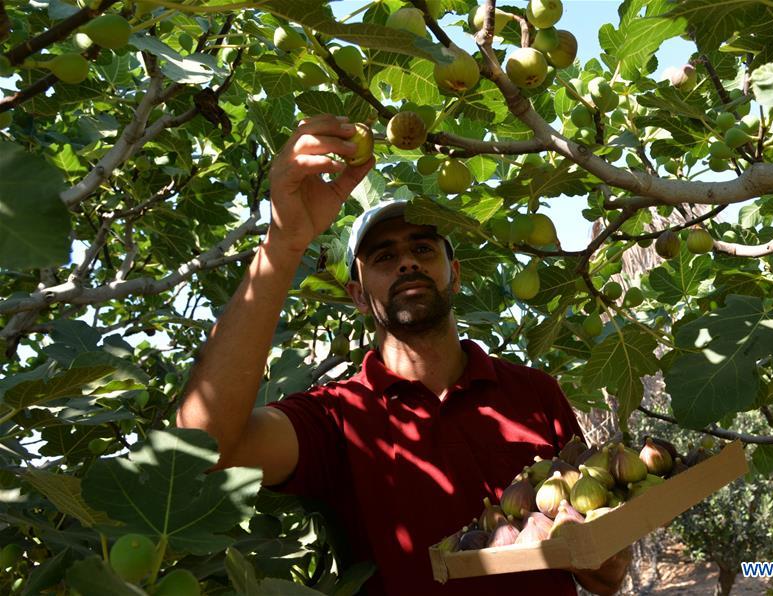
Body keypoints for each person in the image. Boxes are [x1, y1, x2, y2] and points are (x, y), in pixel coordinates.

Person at [177, 114, 631, 595]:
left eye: (422, 248)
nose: (408, 261)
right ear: (356, 294)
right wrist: (283, 243)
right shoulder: (335, 418)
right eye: (384, 257)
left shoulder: (534, 393)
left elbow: (605, 573)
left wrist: (606, 557)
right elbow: (200, 451)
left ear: (454, 274)